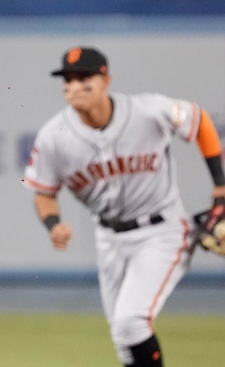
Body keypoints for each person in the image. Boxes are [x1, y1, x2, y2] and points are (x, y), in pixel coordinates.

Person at [23, 46, 225, 366]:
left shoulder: (147, 111)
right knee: (123, 339)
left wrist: (220, 189)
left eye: (84, 78)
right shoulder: (54, 137)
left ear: (106, 80)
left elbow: (199, 122)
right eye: (68, 79)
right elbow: (43, 191)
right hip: (109, 240)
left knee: (131, 323)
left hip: (163, 230)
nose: (74, 86)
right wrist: (53, 224)